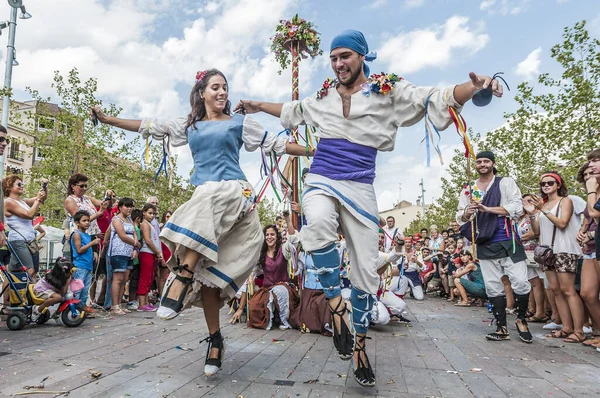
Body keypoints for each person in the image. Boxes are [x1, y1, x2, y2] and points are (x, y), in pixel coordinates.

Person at [91, 68, 311, 377]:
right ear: (202, 93)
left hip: (236, 195)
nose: (222, 92)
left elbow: (276, 144)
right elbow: (148, 126)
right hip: (207, 206)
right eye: (216, 87)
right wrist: (108, 120)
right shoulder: (189, 126)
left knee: (208, 199)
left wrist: (315, 150)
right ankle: (215, 340)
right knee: (209, 278)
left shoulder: (239, 122)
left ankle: (181, 276)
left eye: (225, 88)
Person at [457, 151, 532, 343]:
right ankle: (502, 327)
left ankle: (521, 320)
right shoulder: (469, 187)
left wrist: (487, 209)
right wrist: (468, 212)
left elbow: (516, 207)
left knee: (521, 282)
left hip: (508, 241)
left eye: (486, 161)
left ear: (493, 163)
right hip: (485, 242)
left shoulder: (505, 182)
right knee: (492, 286)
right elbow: (461, 216)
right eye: (479, 161)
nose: (482, 164)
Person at [530, 172, 585, 343]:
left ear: (558, 185)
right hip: (548, 252)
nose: (546, 186)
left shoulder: (565, 201)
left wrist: (543, 210)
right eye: (543, 184)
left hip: (565, 249)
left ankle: (579, 330)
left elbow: (562, 223)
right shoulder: (543, 205)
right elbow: (537, 231)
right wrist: (532, 214)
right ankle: (566, 327)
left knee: (568, 290)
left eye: (550, 182)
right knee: (555, 290)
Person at [244, 213, 298, 330]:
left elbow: (294, 240)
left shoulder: (283, 249)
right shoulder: (261, 254)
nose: (269, 237)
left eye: (272, 234)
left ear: (277, 236)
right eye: (267, 235)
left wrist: (288, 220)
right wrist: (251, 277)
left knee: (278, 291)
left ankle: (284, 320)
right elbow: (254, 270)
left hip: (283, 285)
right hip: (267, 288)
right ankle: (272, 317)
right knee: (254, 306)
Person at [3, 174, 46, 277]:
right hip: (19, 240)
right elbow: (29, 215)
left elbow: (42, 198)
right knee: (30, 271)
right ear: (9, 187)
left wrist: (44, 186)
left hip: (29, 239)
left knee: (13, 273)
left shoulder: (22, 201)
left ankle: (10, 292)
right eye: (19, 184)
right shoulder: (8, 202)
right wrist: (38, 200)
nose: (22, 186)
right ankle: (28, 293)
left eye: (22, 184)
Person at [105, 198, 139, 315]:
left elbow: (134, 233)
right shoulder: (116, 219)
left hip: (129, 252)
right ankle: (114, 305)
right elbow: (122, 235)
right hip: (118, 251)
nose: (129, 209)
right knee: (118, 279)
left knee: (124, 279)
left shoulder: (129, 219)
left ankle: (119, 304)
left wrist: (135, 248)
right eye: (126, 206)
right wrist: (136, 243)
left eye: (131, 206)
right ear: (120, 207)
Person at [71, 210, 100, 310]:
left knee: (85, 289)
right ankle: (74, 308)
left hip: (88, 266)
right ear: (77, 223)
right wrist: (92, 244)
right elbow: (79, 250)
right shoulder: (77, 234)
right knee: (78, 289)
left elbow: (86, 249)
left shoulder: (87, 235)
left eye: (88, 220)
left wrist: (93, 252)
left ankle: (82, 307)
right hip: (80, 265)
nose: (87, 222)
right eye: (84, 221)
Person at [139, 204, 163, 311]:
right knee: (145, 278)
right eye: (150, 213)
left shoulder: (150, 224)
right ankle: (142, 304)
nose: (152, 215)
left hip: (151, 254)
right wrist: (157, 251)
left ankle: (145, 302)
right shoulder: (145, 224)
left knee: (149, 278)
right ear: (144, 213)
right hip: (146, 253)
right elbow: (148, 240)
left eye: (153, 214)